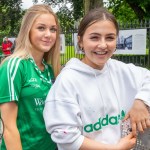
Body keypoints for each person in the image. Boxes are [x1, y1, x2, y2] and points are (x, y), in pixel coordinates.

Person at [43, 7, 150, 150]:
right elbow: (66, 137)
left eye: (110, 38)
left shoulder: (122, 69)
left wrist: (141, 101)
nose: (103, 45)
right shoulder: (67, 81)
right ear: (80, 41)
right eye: (94, 37)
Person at [0, 4, 60, 150]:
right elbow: (9, 128)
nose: (48, 34)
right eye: (41, 28)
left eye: (53, 29)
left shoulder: (50, 70)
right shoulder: (14, 66)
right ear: (28, 31)